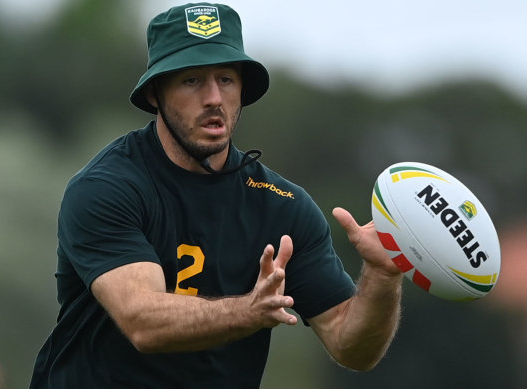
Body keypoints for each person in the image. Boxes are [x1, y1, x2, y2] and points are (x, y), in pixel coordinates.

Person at [30, 3, 403, 388]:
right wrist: (249, 311)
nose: (213, 98)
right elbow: (142, 321)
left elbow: (351, 347)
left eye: (225, 79)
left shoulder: (283, 207)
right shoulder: (108, 186)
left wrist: (381, 276)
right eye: (192, 80)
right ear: (156, 94)